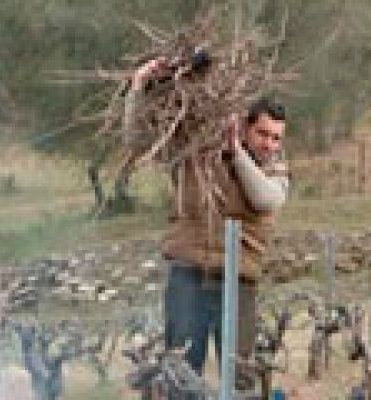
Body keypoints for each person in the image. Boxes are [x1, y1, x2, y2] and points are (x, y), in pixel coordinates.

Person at [127, 57, 290, 394]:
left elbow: (266, 200)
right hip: (187, 275)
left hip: (238, 285)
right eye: (262, 133)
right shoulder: (197, 154)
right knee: (179, 374)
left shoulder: (275, 170)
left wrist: (236, 152)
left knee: (240, 379)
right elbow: (138, 141)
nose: (269, 144)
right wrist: (138, 87)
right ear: (244, 126)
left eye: (276, 138)